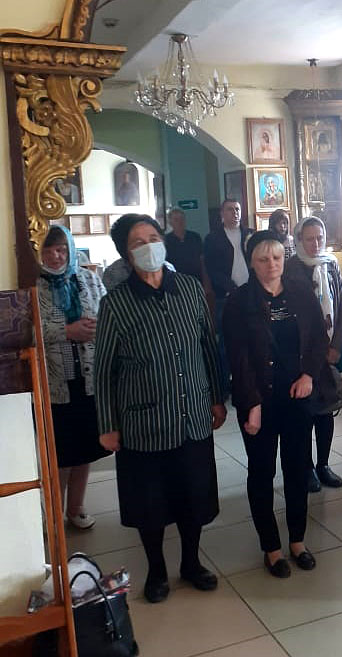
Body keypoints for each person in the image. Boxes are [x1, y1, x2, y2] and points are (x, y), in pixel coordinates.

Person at [95, 214, 226, 604]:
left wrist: (217, 397)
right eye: (138, 242)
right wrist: (107, 424)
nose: (149, 246)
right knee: (150, 504)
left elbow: (208, 346)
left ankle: (191, 563)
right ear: (126, 254)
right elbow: (103, 370)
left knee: (193, 496)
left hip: (192, 414)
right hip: (144, 422)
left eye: (153, 237)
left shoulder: (188, 288)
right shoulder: (115, 304)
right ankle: (156, 569)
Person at [223, 231, 330, 577]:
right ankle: (271, 547)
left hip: (297, 396)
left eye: (277, 258)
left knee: (297, 470)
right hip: (259, 399)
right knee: (262, 472)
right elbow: (238, 358)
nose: (272, 265)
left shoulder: (300, 292)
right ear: (252, 263)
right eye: (263, 259)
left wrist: (309, 375)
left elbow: (318, 339)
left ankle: (297, 540)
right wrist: (252, 403)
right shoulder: (239, 301)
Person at [38, 225, 109, 530]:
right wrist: (66, 331)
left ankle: (76, 508)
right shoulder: (33, 285)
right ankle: (52, 513)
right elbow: (25, 330)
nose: (56, 256)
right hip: (55, 384)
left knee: (84, 449)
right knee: (60, 453)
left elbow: (108, 313)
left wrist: (96, 327)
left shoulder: (88, 279)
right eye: (49, 250)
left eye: (61, 250)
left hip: (88, 378)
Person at [285, 217, 342, 492]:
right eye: (309, 238)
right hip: (303, 353)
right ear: (299, 240)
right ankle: (307, 467)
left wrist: (336, 345)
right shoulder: (290, 268)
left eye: (320, 238)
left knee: (326, 411)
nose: (315, 244)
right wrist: (314, 349)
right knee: (305, 414)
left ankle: (323, 464)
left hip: (331, 351)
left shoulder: (330, 264)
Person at [204, 199, 254, 397]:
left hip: (250, 294)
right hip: (226, 297)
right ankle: (223, 386)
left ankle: (249, 383)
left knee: (252, 339)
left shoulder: (249, 234)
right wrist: (230, 287)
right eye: (230, 209)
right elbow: (212, 268)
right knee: (226, 343)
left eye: (238, 209)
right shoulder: (213, 238)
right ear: (222, 214)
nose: (235, 213)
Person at [103, 214, 176, 292]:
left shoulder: (169, 268)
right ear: (124, 251)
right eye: (139, 243)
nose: (149, 247)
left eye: (153, 239)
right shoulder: (114, 273)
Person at [164, 208, 205, 280]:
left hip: (196, 279)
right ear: (170, 223)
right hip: (176, 280)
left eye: (182, 219)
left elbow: (202, 260)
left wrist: (206, 281)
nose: (180, 222)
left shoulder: (195, 237)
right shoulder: (166, 241)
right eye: (176, 220)